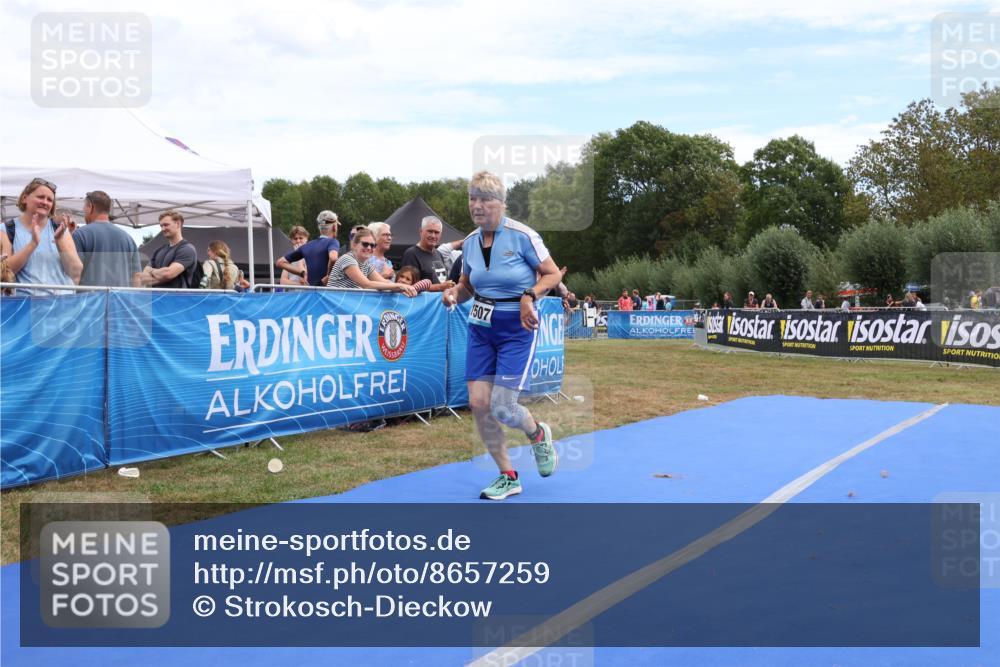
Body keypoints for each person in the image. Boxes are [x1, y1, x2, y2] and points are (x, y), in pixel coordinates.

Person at [441, 171, 561, 501]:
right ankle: (508, 475)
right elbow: (467, 286)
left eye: (485, 199)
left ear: (501, 204)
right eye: (472, 198)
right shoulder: (468, 244)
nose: (477, 206)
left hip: (517, 329)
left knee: (504, 407)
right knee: (479, 404)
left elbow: (552, 274)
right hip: (481, 329)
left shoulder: (523, 236)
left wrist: (529, 295)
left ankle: (537, 435)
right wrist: (453, 293)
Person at [1, 177, 82, 295]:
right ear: (25, 198)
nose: (45, 202)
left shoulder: (59, 228)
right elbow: (5, 272)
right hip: (26, 306)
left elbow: (75, 272)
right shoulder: (8, 229)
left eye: (49, 200)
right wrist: (32, 244)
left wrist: (59, 241)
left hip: (60, 305)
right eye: (40, 197)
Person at [71, 190, 141, 287]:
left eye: (84, 209)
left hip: (89, 300)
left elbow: (74, 273)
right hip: (120, 300)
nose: (84, 213)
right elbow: (137, 276)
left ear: (90, 207)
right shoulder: (128, 239)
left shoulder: (79, 235)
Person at [326, 228, 417, 296]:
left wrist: (406, 288)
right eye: (365, 244)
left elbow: (383, 282)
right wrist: (399, 286)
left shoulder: (366, 264)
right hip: (333, 307)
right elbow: (367, 284)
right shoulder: (347, 259)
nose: (369, 248)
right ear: (354, 245)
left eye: (372, 245)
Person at [276, 210, 340, 286]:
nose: (298, 240)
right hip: (326, 293)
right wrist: (328, 276)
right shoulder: (333, 242)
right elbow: (333, 258)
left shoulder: (306, 246)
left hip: (311, 293)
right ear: (334, 227)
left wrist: (301, 272)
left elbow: (279, 262)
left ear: (319, 227)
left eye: (300, 238)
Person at [141, 211, 198, 288]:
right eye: (161, 226)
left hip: (176, 299)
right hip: (157, 298)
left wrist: (152, 271)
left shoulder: (187, 249)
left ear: (178, 224)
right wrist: (161, 276)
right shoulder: (159, 250)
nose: (163, 229)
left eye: (166, 225)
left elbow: (168, 274)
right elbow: (144, 278)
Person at [401, 216, 448, 283]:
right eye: (430, 231)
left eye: (436, 232)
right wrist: (439, 287)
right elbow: (409, 285)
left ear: (440, 235)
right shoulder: (411, 254)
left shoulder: (438, 254)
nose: (433, 236)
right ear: (421, 231)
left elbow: (442, 280)